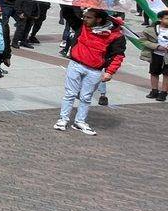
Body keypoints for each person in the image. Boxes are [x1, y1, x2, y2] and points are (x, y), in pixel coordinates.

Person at [55, 8, 125, 136]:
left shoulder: (116, 35)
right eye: (84, 16)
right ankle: (63, 119)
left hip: (95, 70)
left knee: (86, 97)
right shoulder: (81, 26)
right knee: (70, 94)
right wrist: (71, 0)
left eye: (88, 17)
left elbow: (118, 55)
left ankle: (80, 121)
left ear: (98, 19)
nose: (85, 19)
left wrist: (110, 72)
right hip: (76, 64)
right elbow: (67, 13)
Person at [141, 10, 168, 101]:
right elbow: (143, 40)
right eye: (167, 18)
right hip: (156, 55)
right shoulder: (151, 29)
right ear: (160, 19)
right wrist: (157, 46)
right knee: (154, 72)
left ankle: (164, 93)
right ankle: (154, 91)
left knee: (166, 74)